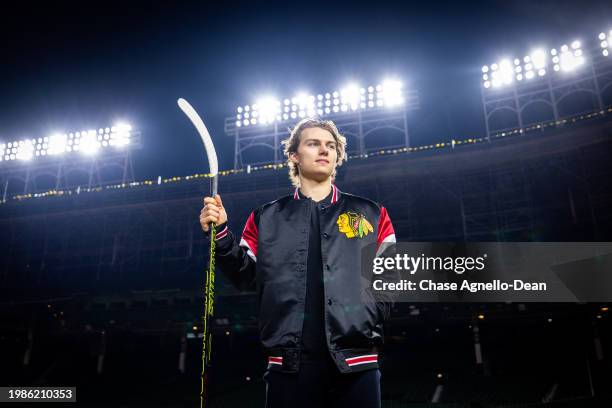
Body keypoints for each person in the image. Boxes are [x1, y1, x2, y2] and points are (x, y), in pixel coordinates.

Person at [200, 118, 396, 407]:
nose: (324, 150)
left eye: (330, 145)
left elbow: (391, 278)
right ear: (294, 155)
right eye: (313, 143)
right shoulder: (265, 217)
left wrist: (367, 320)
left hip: (357, 363)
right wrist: (221, 235)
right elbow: (245, 275)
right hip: (288, 365)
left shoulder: (372, 213)